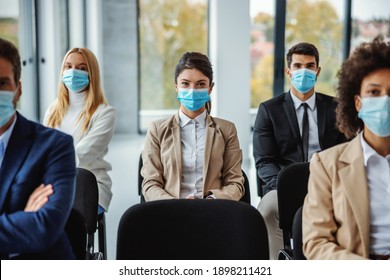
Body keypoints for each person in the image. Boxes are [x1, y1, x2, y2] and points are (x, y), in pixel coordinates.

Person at [252, 42, 346, 259]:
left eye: (310, 66)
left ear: (318, 71)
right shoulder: (269, 110)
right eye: (297, 65)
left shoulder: (336, 108)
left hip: (328, 184)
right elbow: (264, 161)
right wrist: (288, 188)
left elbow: (345, 153)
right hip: (282, 186)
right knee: (267, 211)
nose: (304, 71)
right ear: (288, 71)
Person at [302, 38, 390, 260]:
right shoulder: (327, 164)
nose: (385, 101)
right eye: (374, 92)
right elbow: (316, 243)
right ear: (358, 103)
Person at [0, 37, 76, 259]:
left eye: (2, 83)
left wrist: (30, 222)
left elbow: (43, 227)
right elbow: (30, 226)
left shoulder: (54, 146)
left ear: (18, 89)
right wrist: (22, 218)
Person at [141, 52, 244, 201]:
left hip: (213, 211)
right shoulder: (157, 130)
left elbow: (235, 183)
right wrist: (177, 205)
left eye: (201, 84)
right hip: (170, 212)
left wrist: (210, 202)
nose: (192, 90)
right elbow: (150, 184)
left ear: (210, 88)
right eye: (185, 83)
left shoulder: (227, 130)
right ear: (176, 86)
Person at [44, 47, 116, 214]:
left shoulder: (105, 113)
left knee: (58, 217)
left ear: (92, 74)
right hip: (53, 182)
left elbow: (83, 153)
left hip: (88, 186)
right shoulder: (53, 110)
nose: (73, 72)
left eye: (82, 68)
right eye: (68, 67)